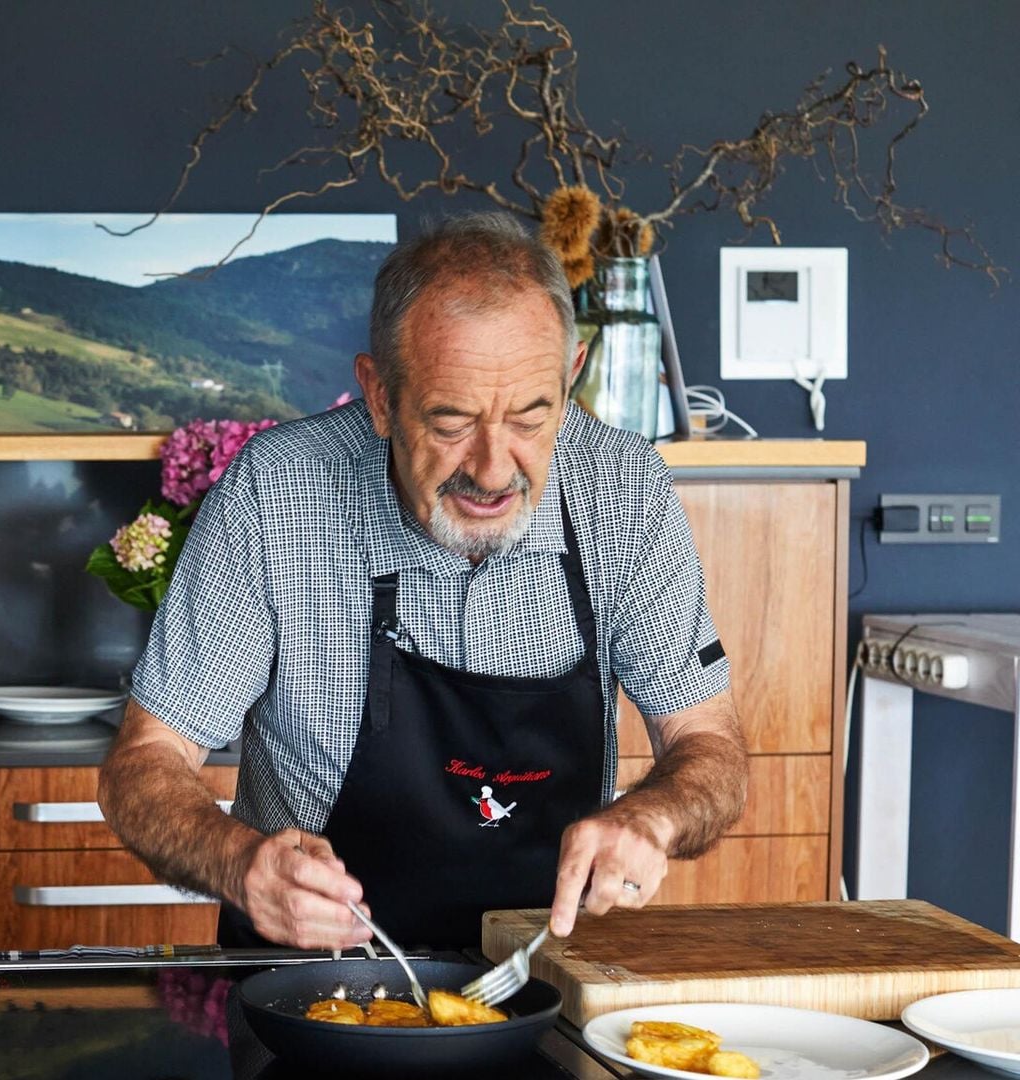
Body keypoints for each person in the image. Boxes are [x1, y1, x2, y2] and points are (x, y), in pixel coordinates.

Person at [98, 213, 749, 952]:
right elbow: (143, 765)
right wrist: (240, 863)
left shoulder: (626, 494)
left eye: (532, 417)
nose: (494, 469)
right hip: (312, 989)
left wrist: (652, 818)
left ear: (570, 377)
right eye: (450, 423)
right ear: (379, 396)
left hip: (548, 973)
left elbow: (710, 747)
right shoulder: (276, 494)